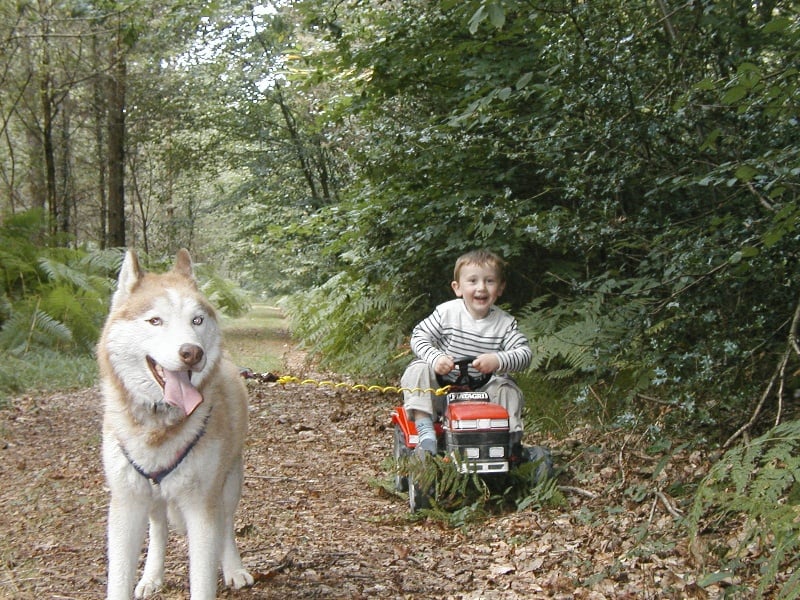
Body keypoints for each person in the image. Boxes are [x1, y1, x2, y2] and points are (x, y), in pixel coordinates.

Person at [400, 249, 532, 462]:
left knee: (507, 387)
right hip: (442, 391)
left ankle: (511, 441)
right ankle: (425, 433)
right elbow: (419, 336)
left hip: (484, 394)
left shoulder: (505, 324)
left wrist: (497, 360)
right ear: (458, 288)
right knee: (418, 369)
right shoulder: (447, 313)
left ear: (500, 288)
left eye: (489, 281)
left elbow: (524, 354)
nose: (481, 288)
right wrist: (435, 358)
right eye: (473, 281)